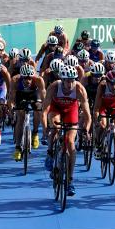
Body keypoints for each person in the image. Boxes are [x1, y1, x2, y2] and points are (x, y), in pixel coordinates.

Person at [42, 65, 92, 197]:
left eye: (72, 80)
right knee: (56, 128)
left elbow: (87, 115)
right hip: (56, 109)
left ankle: (70, 180)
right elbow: (45, 110)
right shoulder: (54, 86)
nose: (70, 83)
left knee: (70, 142)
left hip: (71, 110)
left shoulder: (79, 89)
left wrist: (86, 130)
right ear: (62, 80)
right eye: (67, 81)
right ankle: (50, 153)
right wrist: (45, 128)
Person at [7, 63, 46, 161]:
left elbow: (44, 98)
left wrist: (44, 109)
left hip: (34, 94)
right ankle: (17, 148)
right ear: (21, 77)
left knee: (38, 108)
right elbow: (11, 98)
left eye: (30, 78)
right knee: (20, 118)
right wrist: (11, 108)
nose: (28, 80)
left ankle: (35, 133)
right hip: (20, 95)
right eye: (25, 78)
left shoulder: (38, 80)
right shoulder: (15, 80)